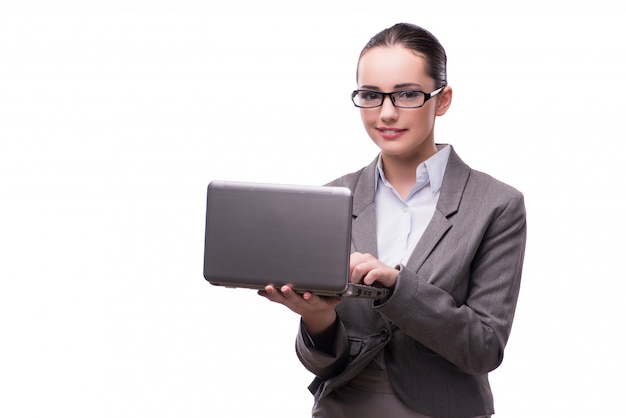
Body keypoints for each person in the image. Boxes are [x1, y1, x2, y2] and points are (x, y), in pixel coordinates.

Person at [259, 23, 526, 418]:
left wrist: (398, 288)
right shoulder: (330, 199)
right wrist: (317, 318)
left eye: (407, 94)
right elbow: (324, 366)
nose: (386, 113)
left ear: (443, 99)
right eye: (370, 95)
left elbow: (484, 348)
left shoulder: (496, 205)